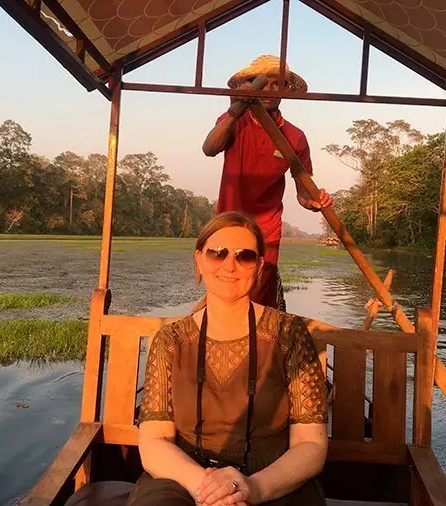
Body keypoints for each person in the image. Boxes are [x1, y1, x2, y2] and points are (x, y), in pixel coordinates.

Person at [129, 211, 328, 506]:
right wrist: (209, 489)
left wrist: (253, 488)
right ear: (199, 259)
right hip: (183, 476)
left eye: (245, 256)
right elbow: (154, 440)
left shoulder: (289, 335)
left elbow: (310, 443)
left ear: (259, 266)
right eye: (217, 253)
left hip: (272, 478)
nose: (230, 265)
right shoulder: (171, 341)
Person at [202, 55, 333, 310]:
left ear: (285, 90)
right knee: (223, 290)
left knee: (260, 297)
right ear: (252, 85)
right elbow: (209, 148)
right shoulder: (235, 121)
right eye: (264, 83)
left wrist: (314, 202)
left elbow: (303, 192)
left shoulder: (295, 137)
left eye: (277, 84)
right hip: (228, 223)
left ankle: (259, 335)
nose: (270, 91)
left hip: (267, 231)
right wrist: (235, 111)